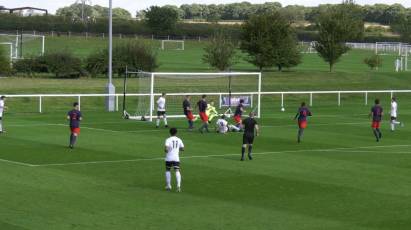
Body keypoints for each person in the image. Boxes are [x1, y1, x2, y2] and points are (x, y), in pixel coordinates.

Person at [164, 128, 184, 192]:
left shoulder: (168, 140)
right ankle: (178, 186)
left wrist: (166, 150)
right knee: (177, 170)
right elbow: (182, 148)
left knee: (168, 170)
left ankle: (169, 186)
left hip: (169, 158)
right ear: (176, 133)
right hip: (176, 158)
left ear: (170, 133)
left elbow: (166, 149)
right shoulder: (179, 139)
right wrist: (178, 149)